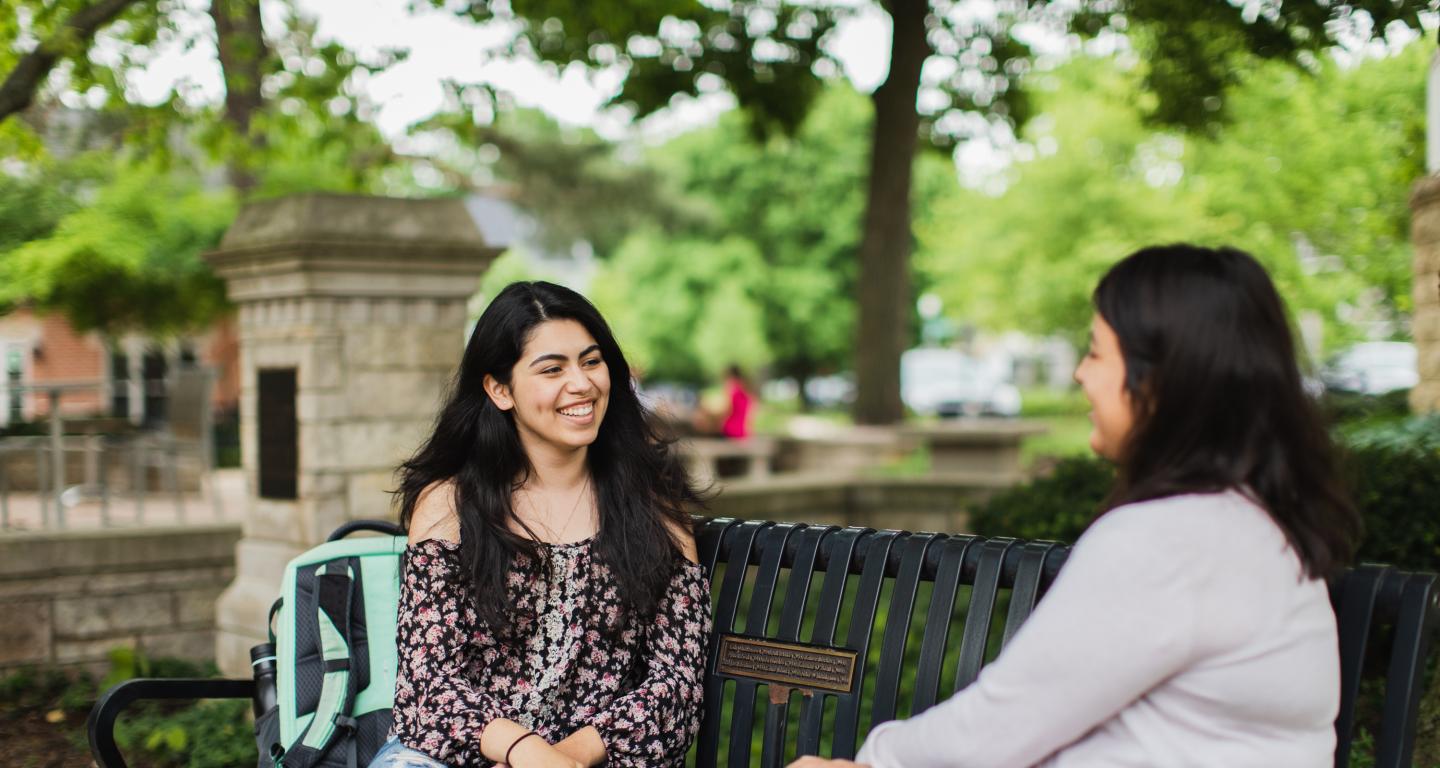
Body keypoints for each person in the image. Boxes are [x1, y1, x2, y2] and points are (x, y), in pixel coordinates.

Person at [790, 244, 1362, 767]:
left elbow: (997, 729)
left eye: (1096, 353)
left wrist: (868, 763)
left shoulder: (1173, 539)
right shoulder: (1244, 522)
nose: (1080, 373)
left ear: (1160, 381)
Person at [371, 281, 713, 768]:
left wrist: (566, 758)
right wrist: (522, 751)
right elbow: (430, 681)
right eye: (552, 369)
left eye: (591, 361)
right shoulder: (451, 505)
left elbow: (676, 683)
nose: (581, 383)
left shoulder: (653, 507)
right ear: (500, 389)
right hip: (457, 755)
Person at [719, 365, 754, 439]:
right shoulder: (746, 387)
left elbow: (726, 408)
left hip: (730, 429)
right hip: (744, 430)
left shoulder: (731, 387)